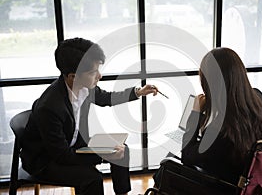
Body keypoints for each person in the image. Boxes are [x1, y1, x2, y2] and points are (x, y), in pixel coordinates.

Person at [20, 37, 158, 195]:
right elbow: (62, 156)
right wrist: (101, 155)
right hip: (46, 161)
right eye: (94, 72)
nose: (100, 76)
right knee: (92, 178)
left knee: (122, 151)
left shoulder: (83, 86)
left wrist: (138, 92)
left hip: (72, 145)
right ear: (73, 76)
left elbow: (107, 98)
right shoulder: (49, 108)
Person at [153, 47, 262, 192]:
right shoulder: (258, 99)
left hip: (221, 187)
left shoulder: (222, 129)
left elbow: (187, 156)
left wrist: (195, 113)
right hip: (247, 181)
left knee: (165, 169)